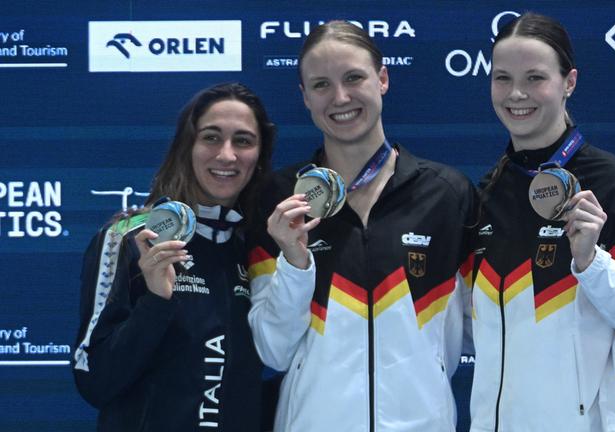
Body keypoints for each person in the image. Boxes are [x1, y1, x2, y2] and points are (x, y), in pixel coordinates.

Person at [246, 20, 476, 432]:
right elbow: (273, 352)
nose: (340, 97)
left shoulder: (446, 194)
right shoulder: (279, 199)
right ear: (304, 97)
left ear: (382, 79)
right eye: (321, 85)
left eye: (354, 77)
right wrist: (296, 264)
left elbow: (497, 329)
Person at [469, 13, 615, 432]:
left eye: (535, 78)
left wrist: (591, 263)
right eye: (502, 78)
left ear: (570, 82)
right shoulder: (487, 191)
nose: (516, 94)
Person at [73, 82, 275, 432]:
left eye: (242, 141)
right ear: (187, 146)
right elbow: (95, 381)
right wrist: (156, 301)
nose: (227, 155)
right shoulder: (131, 237)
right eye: (211, 137)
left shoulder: (257, 248)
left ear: (259, 157)